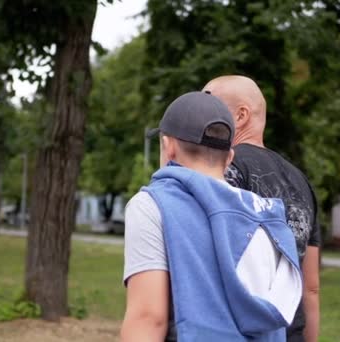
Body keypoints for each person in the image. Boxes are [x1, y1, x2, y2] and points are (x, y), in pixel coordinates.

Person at [120, 91, 303, 341]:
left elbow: (148, 318)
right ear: (229, 157)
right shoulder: (269, 218)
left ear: (168, 147)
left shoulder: (153, 205)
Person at [203, 76, 321, 342]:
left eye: (209, 104)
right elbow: (310, 288)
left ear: (241, 115)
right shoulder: (302, 182)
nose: (200, 114)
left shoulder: (225, 169)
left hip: (241, 330)